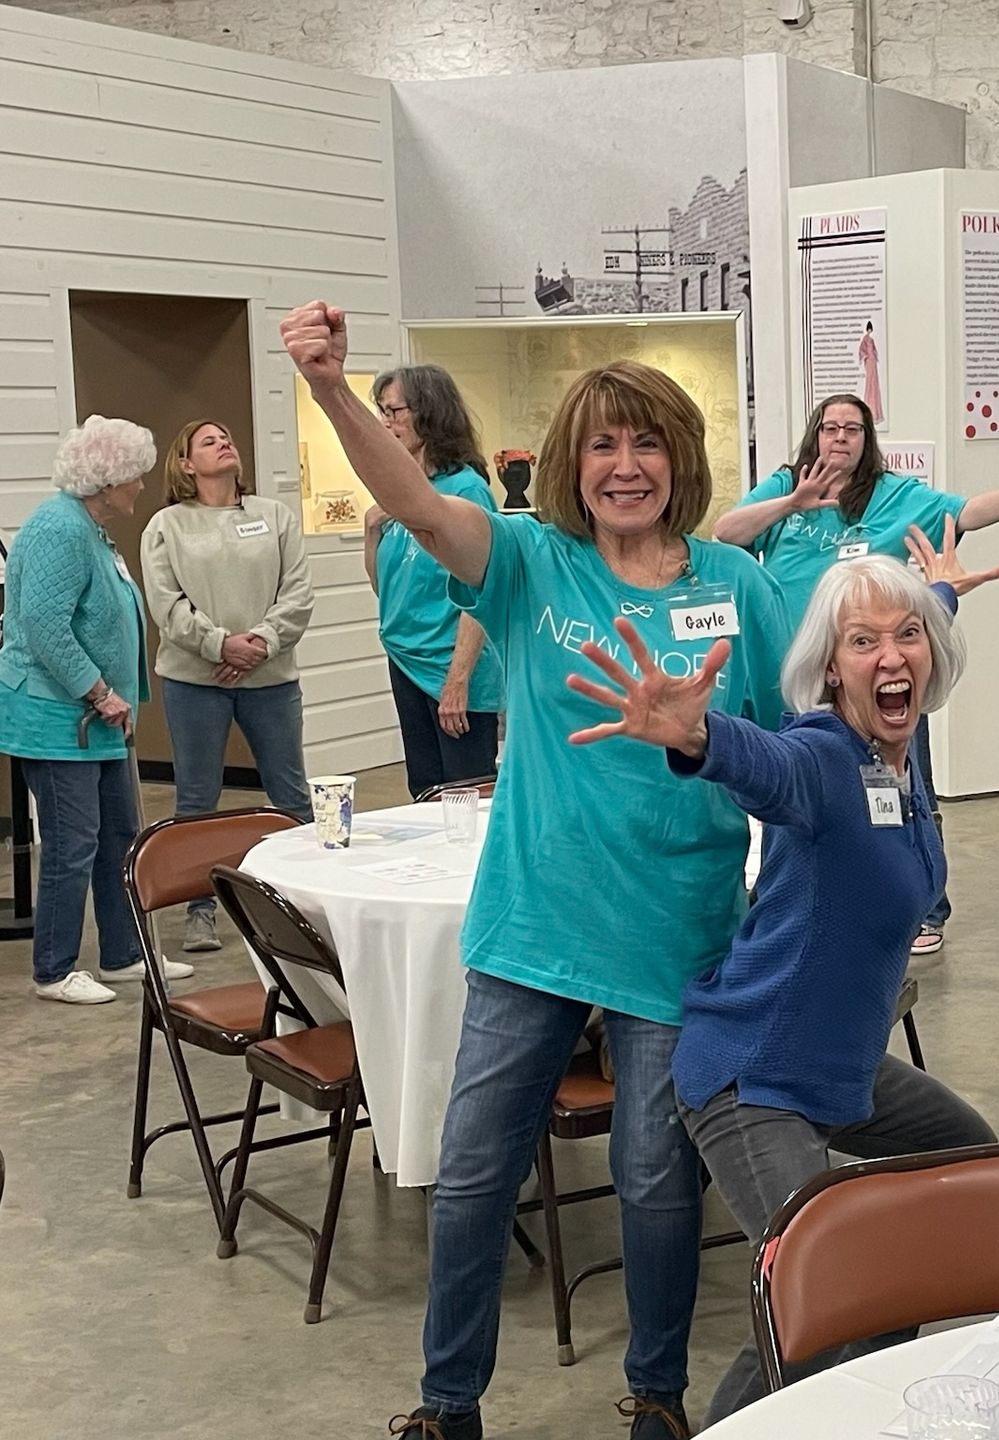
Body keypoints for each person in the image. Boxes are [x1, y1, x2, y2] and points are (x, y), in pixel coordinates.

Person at [283, 301, 787, 1440]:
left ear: (682, 459)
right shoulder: (529, 565)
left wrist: (723, 745)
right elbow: (413, 500)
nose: (625, 466)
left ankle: (656, 1392)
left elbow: (790, 758)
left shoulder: (740, 590)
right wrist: (328, 389)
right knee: (471, 1176)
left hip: (679, 929)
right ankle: (446, 1403)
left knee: (658, 1182)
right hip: (534, 928)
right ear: (571, 462)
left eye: (647, 441)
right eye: (602, 445)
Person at [567, 538, 999, 1423]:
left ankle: (846, 1407)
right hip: (753, 1074)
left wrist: (939, 590)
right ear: (830, 673)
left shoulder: (901, 751)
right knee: (821, 1298)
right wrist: (697, 734)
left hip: (840, 1069)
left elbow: (916, 626)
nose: (890, 656)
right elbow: (768, 765)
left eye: (907, 637)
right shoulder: (826, 760)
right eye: (861, 642)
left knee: (972, 1174)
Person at [715, 392, 999, 957]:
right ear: (815, 434)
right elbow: (727, 532)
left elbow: (967, 511)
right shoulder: (789, 485)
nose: (840, 438)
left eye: (853, 430)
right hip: (805, 681)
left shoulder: (894, 495)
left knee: (903, 791)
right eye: (831, 427)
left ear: (868, 442)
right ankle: (785, 906)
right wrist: (793, 502)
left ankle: (925, 909)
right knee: (796, 801)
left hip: (881, 682)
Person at [0, 417, 192, 1004]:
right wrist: (101, 693)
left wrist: (114, 697)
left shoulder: (88, 528)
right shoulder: (60, 529)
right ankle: (54, 970)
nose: (140, 485)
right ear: (107, 481)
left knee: (118, 835)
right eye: (134, 475)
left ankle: (123, 953)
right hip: (61, 717)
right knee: (72, 840)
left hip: (96, 718)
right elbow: (46, 626)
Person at [142, 419, 315, 953]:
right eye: (209, 440)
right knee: (197, 796)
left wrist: (258, 642)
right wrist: (220, 645)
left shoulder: (275, 516)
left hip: (270, 677)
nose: (225, 442)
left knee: (289, 792)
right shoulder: (166, 525)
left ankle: (309, 898)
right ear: (187, 464)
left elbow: (298, 592)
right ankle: (200, 912)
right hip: (196, 681)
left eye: (227, 436)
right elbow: (166, 604)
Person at [363, 364, 504, 796]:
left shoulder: (466, 490)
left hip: (450, 663)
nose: (386, 423)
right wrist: (372, 530)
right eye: (382, 412)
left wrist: (457, 681)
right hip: (406, 657)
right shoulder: (400, 489)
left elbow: (483, 590)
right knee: (423, 789)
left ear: (429, 413)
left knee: (464, 793)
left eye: (394, 411)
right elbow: (385, 586)